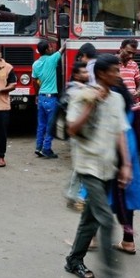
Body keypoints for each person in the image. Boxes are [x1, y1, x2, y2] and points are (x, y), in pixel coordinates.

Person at [64, 53, 133, 278]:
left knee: (90, 218)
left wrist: (126, 164)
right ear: (102, 73)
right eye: (114, 70)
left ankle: (74, 260)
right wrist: (92, 104)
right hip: (88, 167)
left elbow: (120, 132)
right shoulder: (81, 95)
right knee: (105, 219)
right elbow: (72, 129)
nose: (118, 74)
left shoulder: (116, 99)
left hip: (108, 166)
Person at [112, 39, 140, 255]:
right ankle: (128, 239)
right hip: (128, 148)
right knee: (125, 196)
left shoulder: (111, 98)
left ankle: (91, 238)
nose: (132, 56)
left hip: (115, 151)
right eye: (129, 52)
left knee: (97, 195)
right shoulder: (113, 69)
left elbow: (118, 132)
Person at [62, 61, 90, 210]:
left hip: (81, 133)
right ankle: (74, 196)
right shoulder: (75, 90)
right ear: (77, 75)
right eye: (84, 72)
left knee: (79, 167)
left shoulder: (81, 88)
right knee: (80, 167)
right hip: (77, 134)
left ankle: (72, 195)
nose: (87, 74)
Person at [32, 39, 65, 159]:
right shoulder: (52, 59)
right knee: (51, 125)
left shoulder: (35, 64)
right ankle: (46, 148)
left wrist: (37, 95)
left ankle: (38, 147)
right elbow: (62, 49)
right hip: (51, 98)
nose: (52, 49)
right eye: (50, 48)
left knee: (41, 124)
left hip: (41, 97)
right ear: (46, 50)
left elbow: (34, 81)